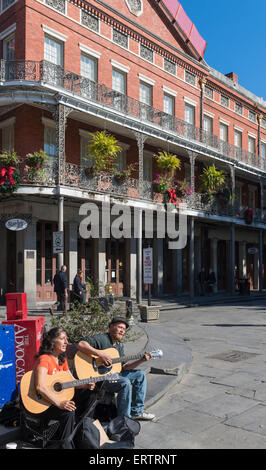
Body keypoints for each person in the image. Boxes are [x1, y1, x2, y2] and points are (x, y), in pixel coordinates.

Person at [22, 327, 97, 443]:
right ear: (52, 341)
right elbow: (40, 387)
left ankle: (81, 430)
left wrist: (85, 385)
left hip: (56, 399)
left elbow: (72, 382)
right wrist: (60, 403)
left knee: (91, 394)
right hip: (43, 402)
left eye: (66, 339)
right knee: (68, 412)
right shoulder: (44, 359)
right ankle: (64, 443)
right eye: (62, 339)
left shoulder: (62, 359)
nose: (67, 342)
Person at [77, 317, 156, 421]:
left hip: (112, 374)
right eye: (119, 327)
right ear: (111, 327)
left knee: (140, 375)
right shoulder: (102, 339)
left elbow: (124, 367)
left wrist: (141, 360)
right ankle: (123, 419)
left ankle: (137, 411)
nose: (122, 330)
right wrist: (100, 354)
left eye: (123, 329)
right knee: (125, 382)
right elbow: (81, 344)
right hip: (99, 377)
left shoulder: (118, 346)